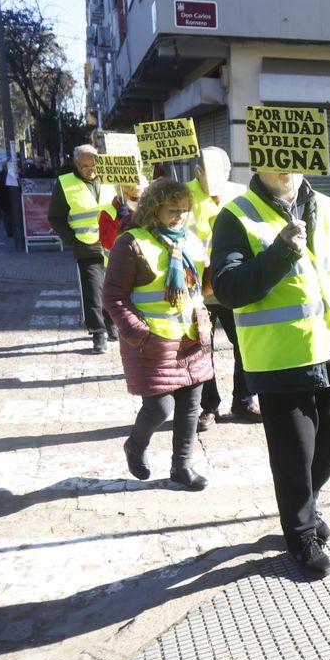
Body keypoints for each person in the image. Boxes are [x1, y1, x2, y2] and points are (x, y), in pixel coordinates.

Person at [210, 164, 330, 577]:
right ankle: (299, 535)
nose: (285, 164)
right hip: (281, 358)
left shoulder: (327, 206)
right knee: (295, 455)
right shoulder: (236, 215)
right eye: (274, 157)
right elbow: (228, 288)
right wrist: (281, 251)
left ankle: (302, 506)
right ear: (258, 162)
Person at [104, 178, 213, 490]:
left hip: (192, 337)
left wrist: (217, 266)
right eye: (173, 210)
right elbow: (113, 296)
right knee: (159, 407)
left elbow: (202, 289)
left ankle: (182, 467)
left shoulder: (191, 240)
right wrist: (139, 334)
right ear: (154, 208)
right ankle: (135, 445)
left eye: (185, 210)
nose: (180, 216)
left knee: (192, 406)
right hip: (152, 343)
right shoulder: (132, 243)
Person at [187, 148, 256, 430]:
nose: (213, 178)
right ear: (197, 173)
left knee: (246, 345)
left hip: (233, 283)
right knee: (202, 349)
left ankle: (244, 398)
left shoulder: (241, 193)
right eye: (206, 171)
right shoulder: (183, 194)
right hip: (197, 289)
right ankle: (209, 406)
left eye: (219, 171)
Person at [48, 144, 118, 352]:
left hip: (113, 246)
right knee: (93, 292)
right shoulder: (65, 183)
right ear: (76, 164)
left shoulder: (110, 178)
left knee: (114, 288)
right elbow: (55, 218)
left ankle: (112, 324)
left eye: (94, 165)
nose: (92, 170)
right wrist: (73, 241)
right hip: (87, 246)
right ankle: (98, 333)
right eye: (86, 166)